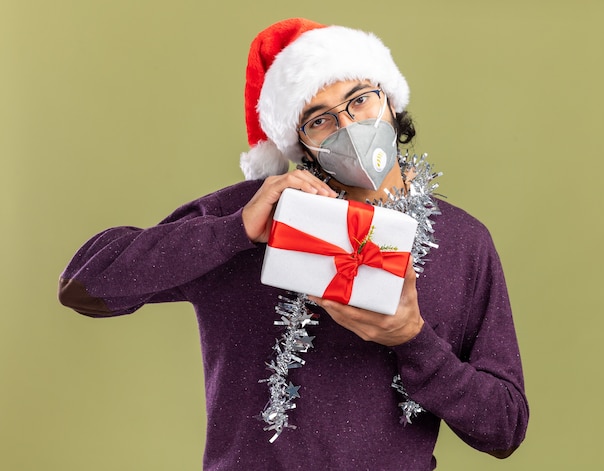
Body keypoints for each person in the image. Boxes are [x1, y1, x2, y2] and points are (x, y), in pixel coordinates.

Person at [58, 17, 528, 470]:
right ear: (300, 144)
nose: (348, 126)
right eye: (319, 120)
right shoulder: (251, 212)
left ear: (390, 99)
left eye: (360, 99)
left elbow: (504, 428)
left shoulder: (464, 242)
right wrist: (233, 230)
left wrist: (413, 341)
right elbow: (84, 285)